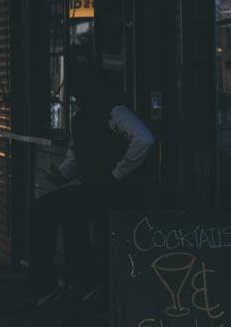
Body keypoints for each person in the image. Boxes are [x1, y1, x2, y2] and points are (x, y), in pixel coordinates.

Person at [29, 83, 154, 306]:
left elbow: (145, 139)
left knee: (69, 211)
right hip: (95, 188)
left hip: (120, 192)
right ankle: (52, 286)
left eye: (79, 93)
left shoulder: (116, 113)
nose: (76, 98)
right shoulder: (80, 119)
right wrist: (62, 175)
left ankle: (84, 282)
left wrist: (117, 173)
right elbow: (74, 157)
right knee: (43, 209)